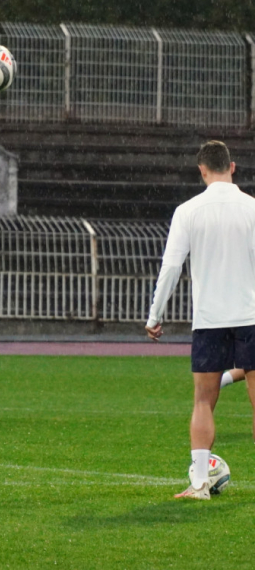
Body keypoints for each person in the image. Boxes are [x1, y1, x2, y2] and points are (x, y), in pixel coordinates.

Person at [145, 140, 255, 500]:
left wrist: (155, 315)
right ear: (232, 167)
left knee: (203, 401)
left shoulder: (188, 211)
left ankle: (199, 485)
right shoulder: (252, 208)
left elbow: (172, 266)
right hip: (252, 314)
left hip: (210, 318)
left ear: (202, 170)